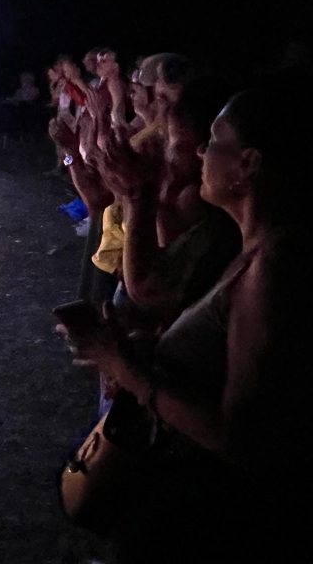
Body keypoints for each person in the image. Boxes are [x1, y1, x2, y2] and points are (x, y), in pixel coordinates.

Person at [65, 75, 313, 561]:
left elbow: (242, 437)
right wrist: (139, 348)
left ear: (248, 164)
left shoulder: (273, 268)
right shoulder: (255, 250)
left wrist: (127, 369)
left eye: (214, 142)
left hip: (202, 512)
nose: (201, 152)